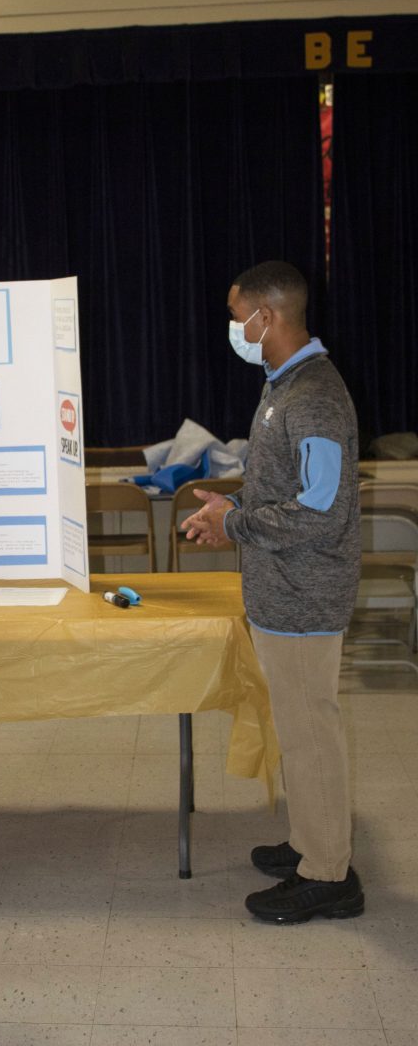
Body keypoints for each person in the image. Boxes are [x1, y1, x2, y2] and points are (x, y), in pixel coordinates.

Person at [182, 260, 363, 924]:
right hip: (281, 589)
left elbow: (322, 511)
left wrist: (233, 524)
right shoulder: (282, 385)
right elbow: (289, 489)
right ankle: (313, 842)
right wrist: (226, 507)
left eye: (237, 318)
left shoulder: (313, 395)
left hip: (304, 595)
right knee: (298, 728)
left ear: (269, 316)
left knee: (311, 732)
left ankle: (328, 876)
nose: (234, 329)